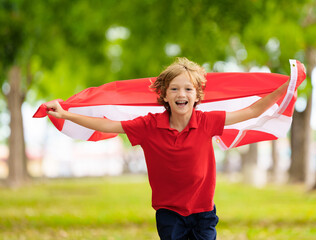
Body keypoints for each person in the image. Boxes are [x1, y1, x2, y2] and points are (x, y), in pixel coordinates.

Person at [46, 57, 290, 240]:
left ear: (197, 96)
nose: (181, 94)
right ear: (163, 95)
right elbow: (106, 124)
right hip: (169, 215)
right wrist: (66, 114)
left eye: (188, 89)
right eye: (174, 88)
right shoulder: (148, 125)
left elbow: (252, 111)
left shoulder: (207, 121)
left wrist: (285, 90)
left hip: (204, 213)